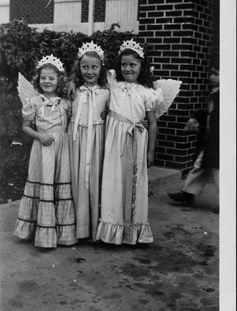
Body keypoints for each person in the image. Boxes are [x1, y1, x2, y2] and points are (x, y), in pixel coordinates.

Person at [96, 39, 182, 245]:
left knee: (134, 183)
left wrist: (151, 151)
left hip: (136, 141)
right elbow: (90, 79)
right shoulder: (112, 83)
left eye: (132, 65)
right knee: (113, 182)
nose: (127, 68)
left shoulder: (148, 92)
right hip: (113, 141)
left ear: (142, 66)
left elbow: (152, 123)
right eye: (124, 64)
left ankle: (132, 232)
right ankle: (111, 231)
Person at [14, 54, 77, 248]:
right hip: (42, 148)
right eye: (43, 78)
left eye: (51, 78)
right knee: (44, 183)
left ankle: (63, 232)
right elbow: (25, 127)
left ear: (59, 80)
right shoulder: (34, 102)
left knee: (59, 183)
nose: (47, 81)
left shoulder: (66, 103)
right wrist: (39, 136)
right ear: (37, 79)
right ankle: (40, 232)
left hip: (62, 148)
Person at [68, 42, 110, 242]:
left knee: (95, 180)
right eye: (85, 67)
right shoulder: (74, 90)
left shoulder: (107, 91)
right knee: (77, 180)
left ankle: (94, 228)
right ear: (79, 68)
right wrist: (70, 82)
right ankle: (77, 227)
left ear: (101, 68)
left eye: (94, 67)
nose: (90, 71)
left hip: (97, 140)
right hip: (76, 139)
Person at [167, 61, 220, 213]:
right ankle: (188, 193)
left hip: (219, 140)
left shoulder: (224, 95)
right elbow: (211, 116)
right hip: (213, 139)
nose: (211, 77)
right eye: (211, 73)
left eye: (216, 74)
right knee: (200, 166)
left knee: (217, 172)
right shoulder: (215, 93)